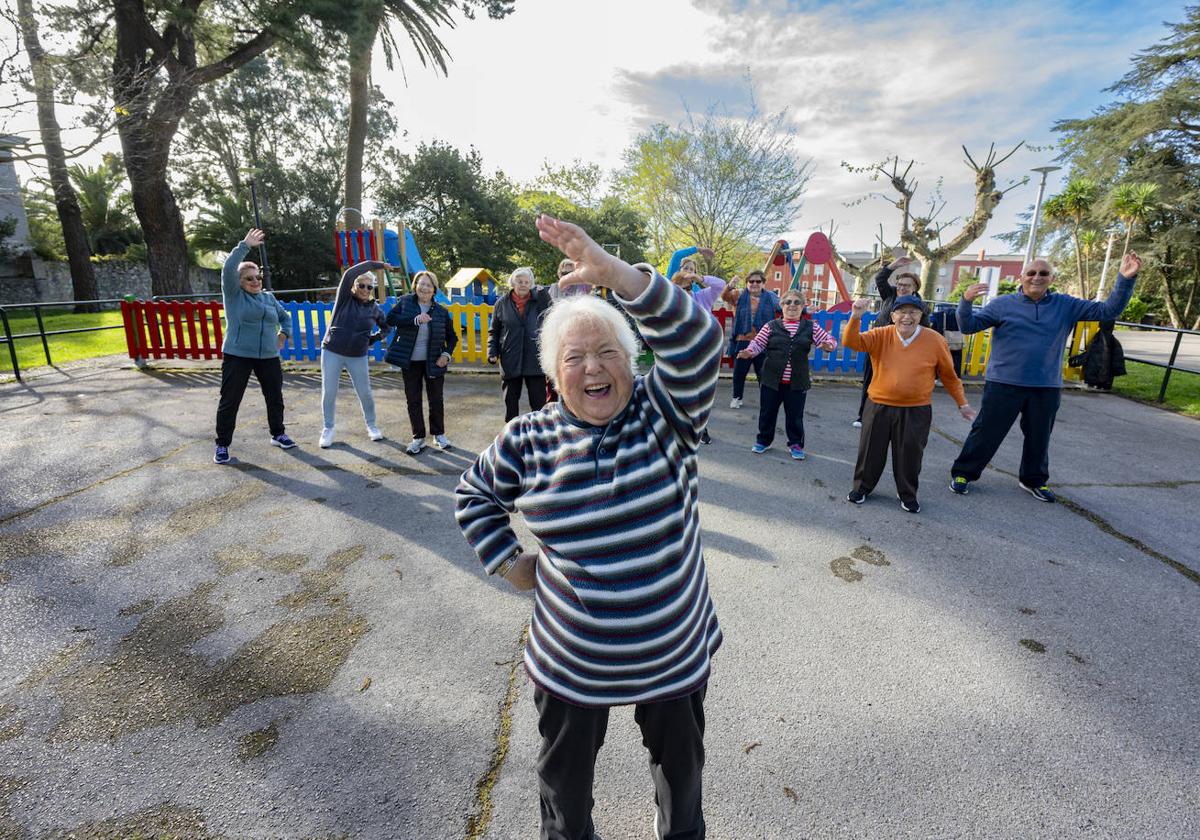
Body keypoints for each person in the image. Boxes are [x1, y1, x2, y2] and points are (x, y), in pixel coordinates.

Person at [456, 215, 723, 840]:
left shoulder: (665, 414)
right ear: (554, 376)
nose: (593, 367)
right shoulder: (527, 437)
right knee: (565, 795)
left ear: (632, 363)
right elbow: (474, 495)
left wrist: (617, 276)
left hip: (672, 654)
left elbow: (699, 340)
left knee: (682, 783)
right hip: (573, 662)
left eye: (608, 352)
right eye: (575, 357)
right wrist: (510, 562)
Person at [949, 253, 1142, 502]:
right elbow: (968, 326)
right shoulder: (1002, 304)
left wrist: (1126, 279)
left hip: (1045, 385)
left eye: (1043, 273)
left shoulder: (1066, 305)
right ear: (1022, 277)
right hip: (1004, 382)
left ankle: (1033, 480)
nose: (1036, 277)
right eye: (1031, 273)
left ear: (1052, 278)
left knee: (1039, 436)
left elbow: (1109, 310)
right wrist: (965, 301)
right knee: (986, 432)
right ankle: (964, 473)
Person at [843, 295, 976, 513]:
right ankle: (862, 488)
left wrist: (962, 403)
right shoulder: (881, 334)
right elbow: (851, 342)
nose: (907, 317)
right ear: (893, 315)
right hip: (878, 405)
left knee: (910, 455)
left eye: (913, 312)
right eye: (902, 312)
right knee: (870, 452)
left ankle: (907, 493)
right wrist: (856, 316)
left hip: (917, 409)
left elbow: (949, 376)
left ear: (921, 315)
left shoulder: (935, 340)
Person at [213, 228, 295, 464]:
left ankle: (278, 434)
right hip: (238, 355)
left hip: (268, 356)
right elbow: (228, 268)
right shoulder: (234, 295)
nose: (255, 281)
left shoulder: (268, 298)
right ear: (239, 282)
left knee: (274, 397)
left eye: (258, 277)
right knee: (230, 400)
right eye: (249, 278)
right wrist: (244, 246)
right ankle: (222, 445)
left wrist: (284, 333)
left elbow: (285, 318)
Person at [736, 289, 836, 460]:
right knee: (767, 412)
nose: (792, 305)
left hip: (797, 381)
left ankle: (796, 443)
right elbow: (758, 343)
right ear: (781, 305)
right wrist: (749, 352)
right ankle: (763, 440)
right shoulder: (771, 326)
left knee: (795, 415)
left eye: (797, 302)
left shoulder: (811, 326)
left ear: (803, 306)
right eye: (788, 302)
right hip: (771, 379)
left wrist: (828, 346)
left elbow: (830, 341)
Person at [319, 259, 396, 447]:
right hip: (332, 351)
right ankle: (328, 428)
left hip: (358, 355)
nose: (365, 289)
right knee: (329, 391)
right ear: (354, 286)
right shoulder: (344, 299)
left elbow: (386, 328)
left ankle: (372, 426)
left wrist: (373, 339)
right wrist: (377, 265)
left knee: (365, 392)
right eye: (361, 285)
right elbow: (349, 273)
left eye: (369, 287)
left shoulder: (374, 309)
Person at [384, 269, 460, 454]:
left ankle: (439, 434)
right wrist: (415, 320)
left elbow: (452, 338)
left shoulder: (441, 311)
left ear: (434, 289)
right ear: (415, 286)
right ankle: (418, 438)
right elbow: (390, 319)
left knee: (436, 400)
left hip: (434, 361)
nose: (424, 287)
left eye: (428, 284)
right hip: (410, 362)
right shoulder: (405, 303)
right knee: (413, 400)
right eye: (421, 284)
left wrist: (446, 355)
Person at [854, 257, 929, 428]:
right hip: (878, 345)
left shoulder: (921, 306)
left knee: (893, 383)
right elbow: (880, 279)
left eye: (907, 285)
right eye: (900, 284)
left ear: (915, 288)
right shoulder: (890, 295)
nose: (902, 288)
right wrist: (893, 265)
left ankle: (889, 419)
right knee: (870, 379)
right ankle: (863, 416)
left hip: (901, 351)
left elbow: (925, 329)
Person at [671, 257, 726, 445]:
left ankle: (702, 428)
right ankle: (679, 427)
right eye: (685, 267)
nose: (688, 270)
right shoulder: (672, 297)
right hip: (679, 351)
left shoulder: (702, 296)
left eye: (691, 268)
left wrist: (700, 278)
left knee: (701, 392)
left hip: (702, 351)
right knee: (680, 390)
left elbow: (720, 285)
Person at [488, 266, 553, 421]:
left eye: (526, 281)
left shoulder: (540, 300)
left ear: (531, 283)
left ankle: (539, 432)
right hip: (511, 357)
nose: (523, 284)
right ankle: (511, 432)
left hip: (535, 358)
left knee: (538, 402)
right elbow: (494, 331)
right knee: (510, 401)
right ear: (512, 283)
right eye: (519, 281)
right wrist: (492, 352)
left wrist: (543, 294)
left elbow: (551, 313)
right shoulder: (501, 303)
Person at [722, 270, 780, 408]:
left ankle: (766, 401)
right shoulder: (739, 294)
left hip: (763, 341)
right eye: (751, 281)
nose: (754, 284)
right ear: (747, 283)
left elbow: (784, 307)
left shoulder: (771, 297)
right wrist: (730, 285)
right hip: (743, 340)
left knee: (763, 373)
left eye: (758, 281)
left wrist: (805, 310)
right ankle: (737, 398)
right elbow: (724, 296)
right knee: (739, 373)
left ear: (763, 283)